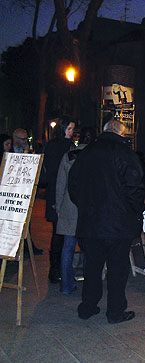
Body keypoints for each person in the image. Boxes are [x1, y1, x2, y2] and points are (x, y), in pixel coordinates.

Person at [68, 119, 145, 324]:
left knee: (92, 267)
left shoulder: (86, 153)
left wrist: (85, 206)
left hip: (90, 223)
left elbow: (73, 186)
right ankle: (115, 311)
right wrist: (133, 212)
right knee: (117, 270)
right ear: (122, 134)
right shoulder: (126, 155)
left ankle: (88, 306)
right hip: (118, 225)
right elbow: (135, 189)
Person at [55, 127, 97, 295]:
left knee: (68, 247)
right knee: (89, 248)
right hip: (89, 206)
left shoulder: (68, 156)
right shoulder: (96, 157)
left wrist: (58, 206)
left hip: (69, 205)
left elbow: (60, 183)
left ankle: (66, 285)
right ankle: (89, 284)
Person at [42, 117, 76, 282]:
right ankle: (57, 269)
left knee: (58, 233)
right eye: (69, 129)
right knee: (60, 235)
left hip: (53, 191)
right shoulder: (66, 147)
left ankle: (55, 269)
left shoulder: (51, 146)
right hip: (62, 193)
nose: (71, 132)